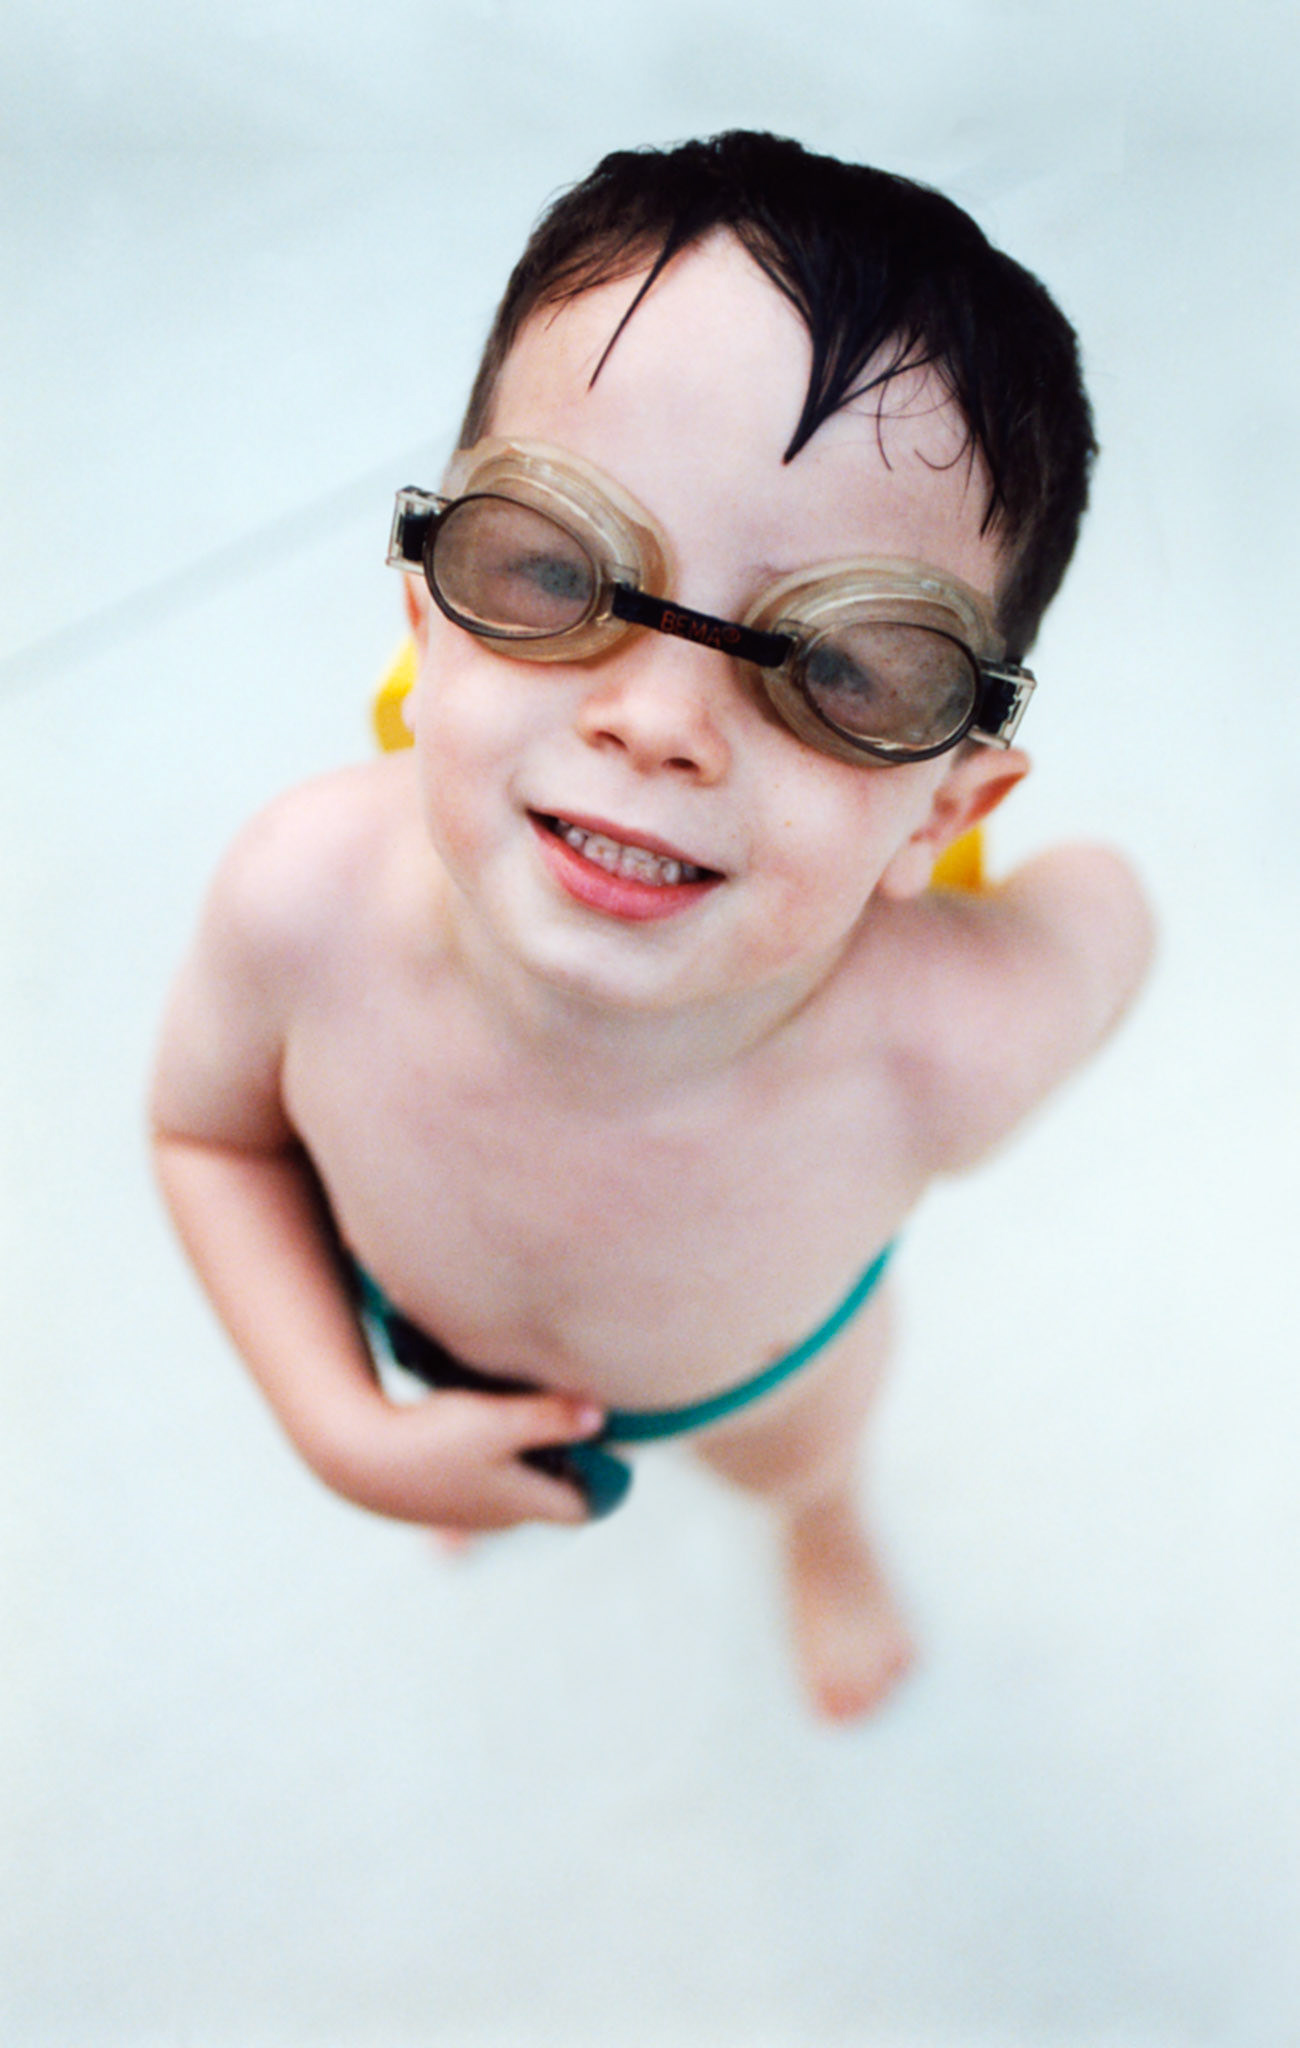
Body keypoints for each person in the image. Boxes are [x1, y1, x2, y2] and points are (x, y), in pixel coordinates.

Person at [150, 132, 1153, 1720]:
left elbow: (1110, 908)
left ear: (946, 809)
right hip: (416, 1331)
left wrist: (970, 913)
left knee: (796, 1460)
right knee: (462, 1446)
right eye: (558, 571)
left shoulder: (939, 1042)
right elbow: (211, 1141)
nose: (661, 724)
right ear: (425, 615)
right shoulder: (304, 898)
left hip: (761, 1379)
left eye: (840, 671)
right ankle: (472, 1456)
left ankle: (821, 1527)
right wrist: (345, 1424)